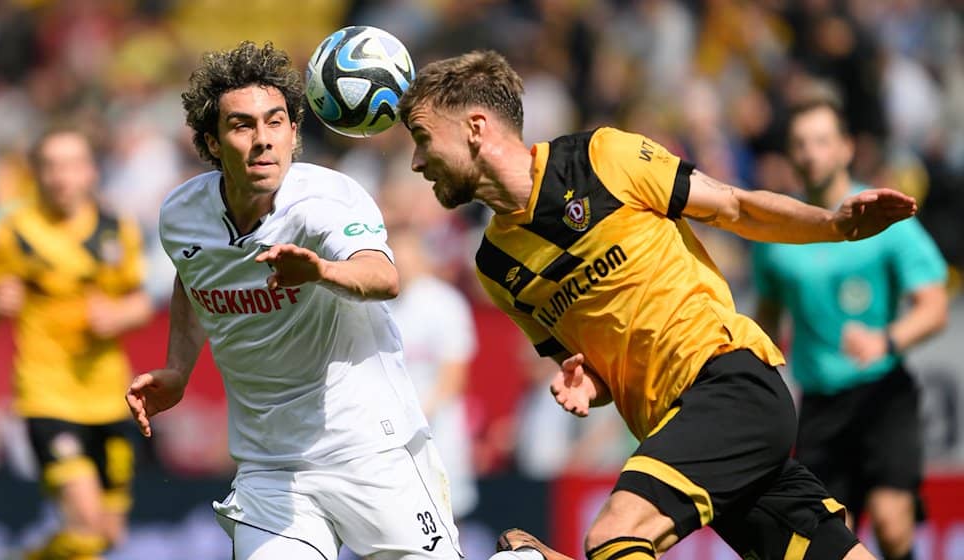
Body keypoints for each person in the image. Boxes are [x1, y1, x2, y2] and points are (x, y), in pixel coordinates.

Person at [398, 50, 918, 560]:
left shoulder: (601, 158)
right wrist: (589, 383)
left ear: (475, 126)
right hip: (675, 427)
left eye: (423, 138)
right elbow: (587, 369)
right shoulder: (494, 265)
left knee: (613, 537)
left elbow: (735, 207)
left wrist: (833, 225)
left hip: (727, 383)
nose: (417, 161)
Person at [124, 41, 462, 560]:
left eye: (276, 122)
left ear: (295, 131)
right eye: (242, 126)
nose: (263, 141)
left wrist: (322, 271)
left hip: (371, 448)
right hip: (271, 469)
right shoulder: (181, 214)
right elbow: (193, 278)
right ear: (212, 143)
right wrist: (178, 368)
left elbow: (383, 274)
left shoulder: (329, 199)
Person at [752, 98, 948, 560]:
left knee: (892, 522)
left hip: (883, 396)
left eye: (821, 141)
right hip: (820, 407)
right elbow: (766, 320)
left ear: (845, 148)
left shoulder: (883, 216)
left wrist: (886, 340)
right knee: (829, 538)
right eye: (800, 143)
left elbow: (934, 306)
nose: (810, 153)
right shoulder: (778, 232)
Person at [0, 125, 154, 559]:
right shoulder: (16, 232)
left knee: (107, 536)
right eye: (50, 166)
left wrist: (117, 316)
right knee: (86, 522)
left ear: (90, 172)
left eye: (71, 165)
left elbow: (141, 301)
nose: (61, 177)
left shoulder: (116, 230)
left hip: (109, 397)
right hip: (47, 397)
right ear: (35, 173)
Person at [387, 228, 479, 521]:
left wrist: (418, 415)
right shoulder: (379, 307)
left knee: (446, 518)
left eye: (405, 253)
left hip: (438, 434)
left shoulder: (445, 303)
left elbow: (454, 375)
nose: (400, 261)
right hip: (388, 436)